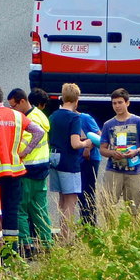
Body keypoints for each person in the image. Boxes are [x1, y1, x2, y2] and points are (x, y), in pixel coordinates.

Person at [0, 84, 44, 252]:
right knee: (12, 210)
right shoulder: (17, 115)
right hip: (14, 171)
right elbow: (38, 132)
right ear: (2, 98)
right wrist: (25, 151)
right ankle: (12, 251)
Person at [7, 88, 52, 255]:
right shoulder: (40, 115)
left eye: (14, 106)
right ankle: (47, 243)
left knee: (21, 209)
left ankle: (26, 245)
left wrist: (20, 153)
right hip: (42, 168)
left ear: (22, 101)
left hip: (28, 168)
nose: (13, 110)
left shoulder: (27, 119)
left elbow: (25, 143)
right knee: (40, 209)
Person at [48, 83, 92, 239]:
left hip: (54, 160)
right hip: (69, 163)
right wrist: (86, 143)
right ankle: (66, 236)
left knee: (62, 198)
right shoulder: (74, 117)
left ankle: (61, 231)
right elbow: (75, 143)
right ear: (76, 99)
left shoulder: (53, 115)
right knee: (71, 200)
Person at [99, 88, 140, 216]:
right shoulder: (108, 124)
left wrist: (136, 151)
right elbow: (102, 149)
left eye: (120, 102)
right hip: (113, 170)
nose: (117, 106)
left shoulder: (139, 121)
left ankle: (135, 232)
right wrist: (112, 153)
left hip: (134, 170)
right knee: (108, 205)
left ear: (127, 103)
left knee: (137, 207)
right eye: (114, 103)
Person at [77, 108, 102, 225]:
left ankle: (91, 224)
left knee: (89, 192)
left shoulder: (86, 118)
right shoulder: (69, 119)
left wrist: (88, 148)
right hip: (78, 160)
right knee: (80, 193)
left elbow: (99, 136)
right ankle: (85, 223)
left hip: (91, 159)